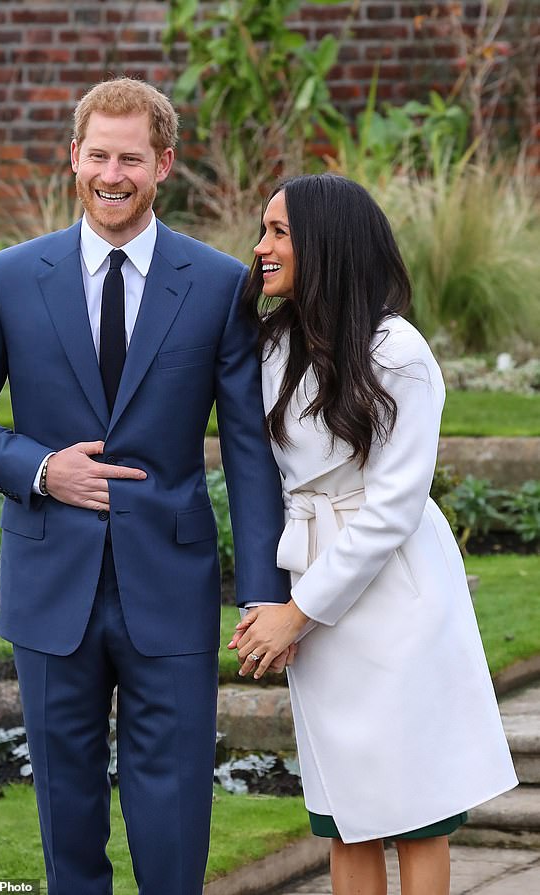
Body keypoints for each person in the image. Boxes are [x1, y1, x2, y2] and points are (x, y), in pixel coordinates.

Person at [0, 77, 291, 895]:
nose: (112, 173)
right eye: (98, 155)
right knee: (67, 812)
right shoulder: (12, 276)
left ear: (163, 164)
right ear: (74, 158)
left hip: (171, 583)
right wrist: (41, 468)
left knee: (173, 817)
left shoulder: (217, 281)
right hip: (52, 583)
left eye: (131, 157)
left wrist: (265, 590)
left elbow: (248, 449)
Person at [231, 174, 518, 895]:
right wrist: (277, 600)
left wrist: (301, 610)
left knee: (417, 809)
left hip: (398, 596)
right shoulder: (271, 346)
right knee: (343, 809)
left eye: (279, 233)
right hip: (314, 584)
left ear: (327, 243)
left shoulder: (399, 352)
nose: (261, 247)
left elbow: (393, 506)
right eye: (262, 231)